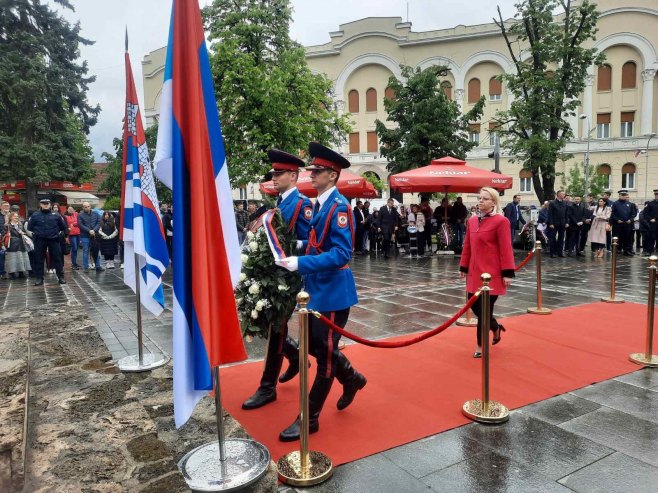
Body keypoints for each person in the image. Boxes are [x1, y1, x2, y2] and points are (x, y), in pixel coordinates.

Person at [275, 142, 366, 442]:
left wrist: (300, 262)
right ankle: (351, 378)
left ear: (333, 175)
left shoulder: (339, 207)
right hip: (316, 292)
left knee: (325, 358)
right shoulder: (321, 203)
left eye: (318, 171)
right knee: (316, 348)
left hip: (333, 294)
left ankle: (309, 418)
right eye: (312, 169)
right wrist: (294, 248)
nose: (311, 174)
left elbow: (342, 254)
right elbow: (317, 242)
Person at [242, 148, 312, 411]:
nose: (274, 176)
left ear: (293, 176)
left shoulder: (302, 204)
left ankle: (267, 387)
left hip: (289, 279)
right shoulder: (280, 202)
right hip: (273, 275)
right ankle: (296, 358)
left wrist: (286, 249)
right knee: (272, 326)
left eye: (279, 173)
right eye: (273, 172)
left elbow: (309, 244)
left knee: (275, 329)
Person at [459, 187, 515, 358]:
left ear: (493, 202)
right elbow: (467, 245)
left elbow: (506, 248)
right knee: (474, 305)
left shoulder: (501, 221)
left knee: (484, 312)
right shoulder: (473, 221)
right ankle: (496, 328)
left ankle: (480, 345)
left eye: (485, 198)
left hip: (491, 276)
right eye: (480, 198)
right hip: (474, 274)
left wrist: (507, 272)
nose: (480, 201)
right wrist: (464, 266)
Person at [27, 198, 67, 285]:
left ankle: (61, 277)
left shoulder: (56, 215)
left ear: (50, 204)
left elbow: (63, 226)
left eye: (47, 203)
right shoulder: (35, 215)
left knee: (57, 259)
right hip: (40, 240)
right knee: (39, 259)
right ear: (40, 205)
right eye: (44, 203)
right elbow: (29, 227)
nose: (46, 205)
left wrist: (56, 233)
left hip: (53, 239)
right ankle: (39, 278)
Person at [78, 201, 105, 272]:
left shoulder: (96, 214)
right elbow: (80, 225)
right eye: (85, 207)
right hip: (85, 236)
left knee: (96, 251)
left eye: (88, 206)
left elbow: (99, 222)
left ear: (90, 206)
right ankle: (86, 267)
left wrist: (94, 230)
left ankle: (98, 266)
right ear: (83, 207)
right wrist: (89, 231)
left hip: (94, 235)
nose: (87, 208)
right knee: (85, 251)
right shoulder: (80, 215)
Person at [3, 212, 31, 279]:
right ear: (10, 217)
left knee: (21, 259)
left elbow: (25, 233)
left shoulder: (20, 225)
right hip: (12, 244)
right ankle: (12, 273)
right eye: (15, 216)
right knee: (12, 259)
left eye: (17, 216)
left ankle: (21, 272)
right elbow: (4, 234)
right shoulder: (7, 226)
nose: (16, 217)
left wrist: (23, 234)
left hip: (21, 244)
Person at [610, 189, 637, 256]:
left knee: (627, 238)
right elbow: (612, 214)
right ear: (619, 195)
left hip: (627, 224)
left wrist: (630, 220)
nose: (624, 196)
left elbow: (633, 214)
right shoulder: (615, 204)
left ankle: (626, 251)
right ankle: (616, 250)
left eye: (625, 195)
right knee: (617, 237)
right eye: (622, 195)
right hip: (618, 224)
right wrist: (617, 220)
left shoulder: (630, 204)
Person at [548, 190, 567, 257]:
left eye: (564, 194)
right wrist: (551, 223)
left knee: (561, 239)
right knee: (552, 238)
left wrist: (566, 222)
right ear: (558, 194)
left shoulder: (565, 203)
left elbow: (566, 214)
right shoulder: (552, 203)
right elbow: (550, 214)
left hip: (562, 223)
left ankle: (560, 253)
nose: (564, 195)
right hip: (554, 224)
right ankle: (552, 253)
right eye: (563, 194)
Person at [644, 190, 658, 255]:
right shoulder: (650, 203)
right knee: (651, 237)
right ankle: (649, 251)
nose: (657, 196)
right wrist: (650, 219)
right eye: (656, 195)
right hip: (653, 223)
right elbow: (646, 213)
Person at [0, 201, 10, 279]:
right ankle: (2, 272)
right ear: (1, 207)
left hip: (11, 238)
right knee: (2, 254)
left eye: (8, 206)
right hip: (1, 239)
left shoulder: (12, 215)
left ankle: (12, 271)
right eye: (5, 206)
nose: (7, 207)